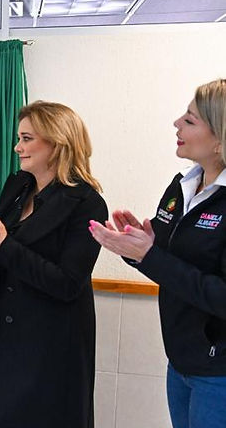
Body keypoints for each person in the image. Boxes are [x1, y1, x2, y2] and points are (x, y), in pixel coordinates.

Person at [0, 101, 108, 428]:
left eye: (27, 139)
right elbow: (4, 252)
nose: (17, 147)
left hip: (49, 343)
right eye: (19, 138)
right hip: (3, 332)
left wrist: (2, 242)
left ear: (58, 143)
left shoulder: (87, 203)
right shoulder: (18, 186)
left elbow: (67, 283)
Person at [91, 79, 226, 428]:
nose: (176, 123)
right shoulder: (182, 186)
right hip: (180, 362)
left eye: (190, 120)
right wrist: (136, 247)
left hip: (219, 373)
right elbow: (168, 263)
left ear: (220, 138)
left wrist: (151, 255)